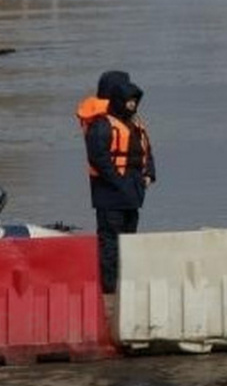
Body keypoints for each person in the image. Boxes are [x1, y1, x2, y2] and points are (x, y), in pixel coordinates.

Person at [83, 78, 156, 293]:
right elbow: (98, 158)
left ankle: (125, 283)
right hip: (110, 194)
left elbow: (147, 153)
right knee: (110, 243)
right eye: (129, 101)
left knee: (128, 239)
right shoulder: (101, 126)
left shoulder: (136, 124)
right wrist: (119, 181)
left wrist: (149, 175)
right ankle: (109, 287)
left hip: (132, 194)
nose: (132, 105)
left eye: (135, 101)